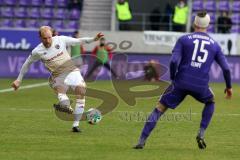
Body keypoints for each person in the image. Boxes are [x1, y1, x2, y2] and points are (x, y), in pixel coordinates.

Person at [134, 11, 232, 149]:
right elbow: (226, 69)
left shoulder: (184, 39)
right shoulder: (215, 45)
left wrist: (174, 78)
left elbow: (174, 61)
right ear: (208, 25)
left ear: (194, 23)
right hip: (200, 84)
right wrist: (228, 87)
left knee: (159, 108)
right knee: (210, 101)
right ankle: (201, 133)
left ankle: (141, 141)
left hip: (180, 81)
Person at [11, 26, 104, 133]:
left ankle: (75, 125)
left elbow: (79, 41)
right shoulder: (37, 51)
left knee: (81, 92)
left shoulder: (61, 39)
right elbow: (27, 63)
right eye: (45, 38)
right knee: (62, 96)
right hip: (57, 76)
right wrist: (19, 80)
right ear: (40, 37)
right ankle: (65, 105)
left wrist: (94, 39)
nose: (48, 40)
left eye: (49, 37)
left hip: (72, 71)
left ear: (52, 35)